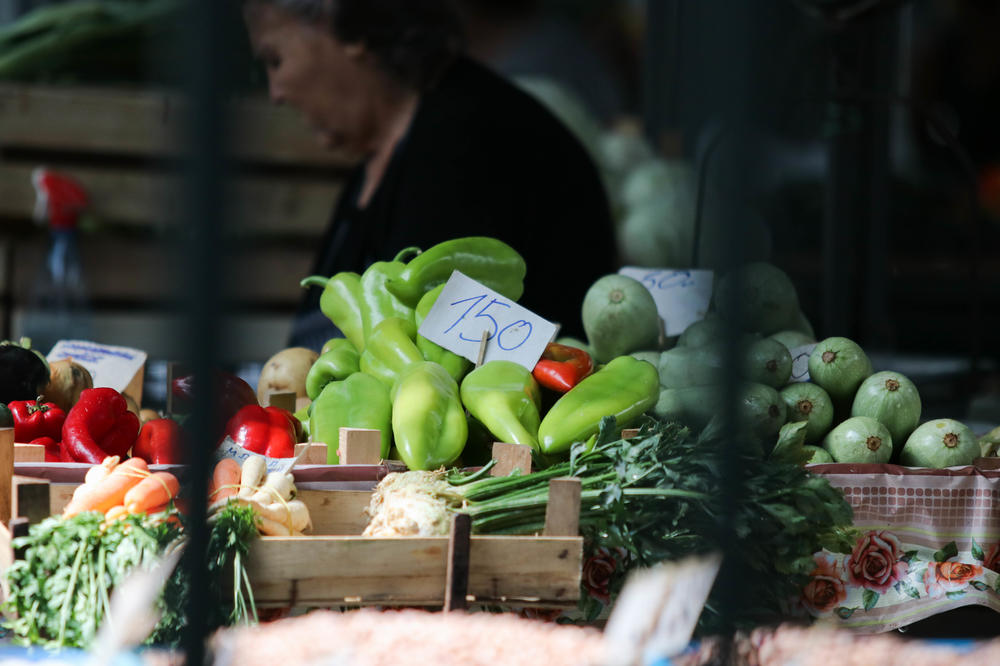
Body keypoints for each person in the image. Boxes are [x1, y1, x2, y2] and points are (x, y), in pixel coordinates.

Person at [242, 0, 617, 351]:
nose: (276, 93)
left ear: (346, 28)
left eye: (275, 60)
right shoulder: (390, 148)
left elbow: (443, 343)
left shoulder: (470, 141)